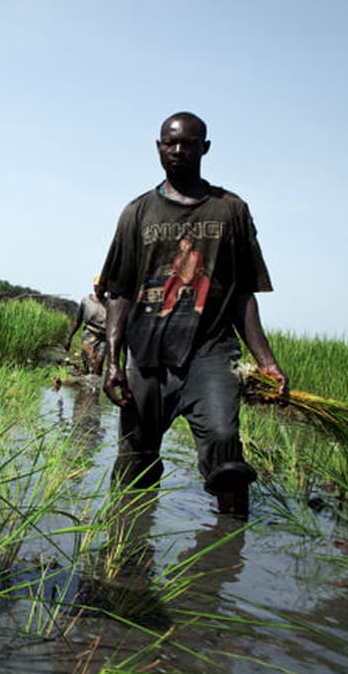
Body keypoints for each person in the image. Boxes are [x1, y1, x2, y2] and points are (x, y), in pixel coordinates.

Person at [100, 112, 287, 517]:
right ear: (158, 148)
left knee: (224, 443)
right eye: (170, 142)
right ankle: (126, 539)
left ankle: (229, 541)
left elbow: (243, 294)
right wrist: (113, 362)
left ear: (205, 148)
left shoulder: (231, 210)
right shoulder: (137, 213)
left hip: (210, 351)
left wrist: (267, 362)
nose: (178, 150)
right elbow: (119, 293)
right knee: (135, 456)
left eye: (188, 143)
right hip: (147, 353)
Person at [65, 276, 109, 375]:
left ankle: (96, 382)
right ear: (94, 287)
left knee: (99, 360)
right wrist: (69, 338)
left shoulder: (109, 303)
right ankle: (87, 380)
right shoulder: (86, 301)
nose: (99, 289)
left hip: (103, 337)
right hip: (89, 335)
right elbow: (78, 321)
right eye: (97, 286)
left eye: (102, 287)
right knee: (87, 363)